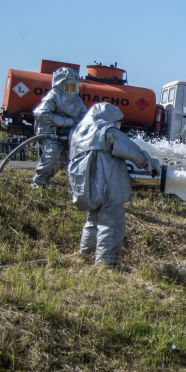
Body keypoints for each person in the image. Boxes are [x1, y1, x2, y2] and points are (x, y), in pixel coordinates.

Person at [67, 102, 161, 267]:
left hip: (86, 188)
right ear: (110, 119)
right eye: (118, 121)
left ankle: (85, 256)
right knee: (112, 223)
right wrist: (149, 162)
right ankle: (106, 265)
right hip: (108, 186)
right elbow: (131, 150)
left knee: (92, 221)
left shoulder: (77, 134)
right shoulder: (107, 132)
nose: (118, 125)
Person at [32, 67, 87, 187]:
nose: (73, 89)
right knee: (51, 158)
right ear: (61, 84)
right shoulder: (53, 97)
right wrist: (66, 121)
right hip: (52, 135)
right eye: (70, 85)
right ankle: (40, 182)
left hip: (70, 137)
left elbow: (84, 116)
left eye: (75, 85)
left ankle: (76, 187)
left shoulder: (77, 100)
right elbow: (41, 113)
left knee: (76, 161)